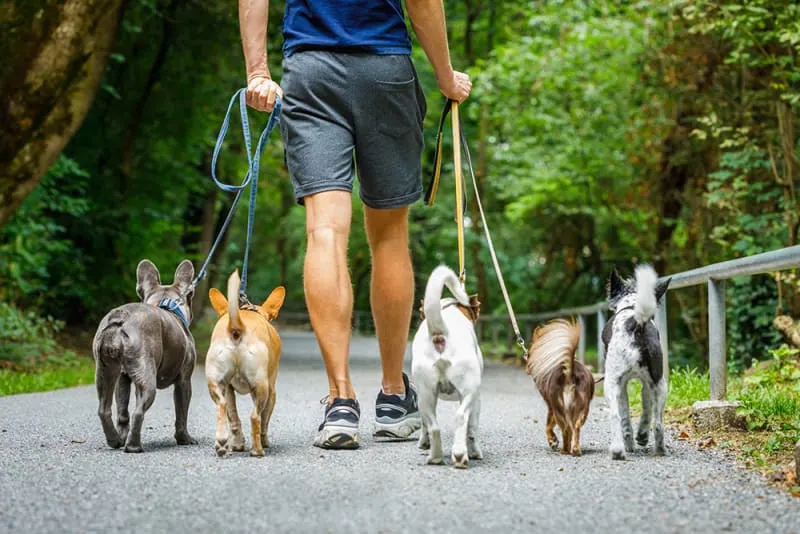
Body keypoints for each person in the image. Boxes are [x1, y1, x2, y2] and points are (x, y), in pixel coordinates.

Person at [239, 0, 472, 449]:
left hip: (311, 70)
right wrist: (445, 76)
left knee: (324, 233)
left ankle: (340, 400)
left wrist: (257, 72)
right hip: (385, 68)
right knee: (388, 237)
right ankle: (391, 395)